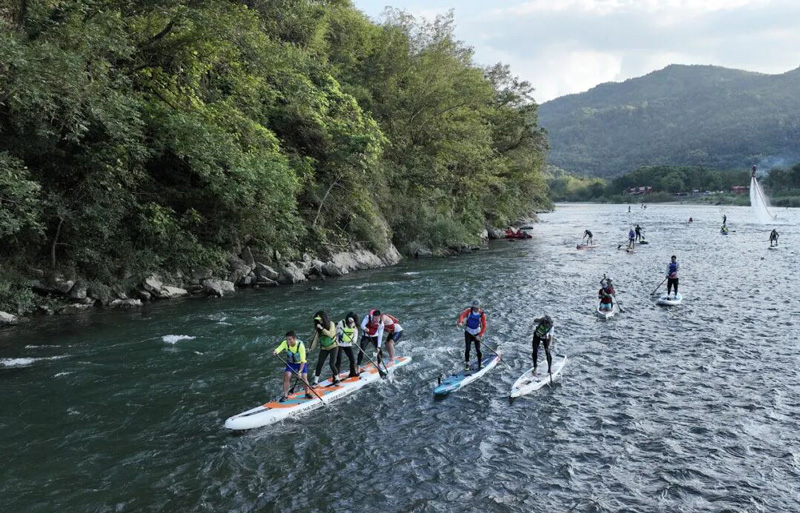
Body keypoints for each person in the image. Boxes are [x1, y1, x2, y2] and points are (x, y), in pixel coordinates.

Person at [273, 331, 313, 402]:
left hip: (301, 363)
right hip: (291, 363)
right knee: (287, 375)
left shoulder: (300, 345)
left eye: (290, 339)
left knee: (304, 376)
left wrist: (300, 372)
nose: (288, 341)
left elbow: (303, 360)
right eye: (287, 339)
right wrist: (276, 351)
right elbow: (279, 348)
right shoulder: (285, 343)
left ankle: (307, 393)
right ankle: (285, 395)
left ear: (294, 339)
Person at [310, 310, 339, 386]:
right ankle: (316, 381)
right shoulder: (318, 328)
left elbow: (331, 335)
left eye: (320, 319)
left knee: (332, 364)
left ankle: (337, 378)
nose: (319, 321)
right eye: (317, 320)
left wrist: (322, 329)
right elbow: (315, 339)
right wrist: (311, 348)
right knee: (319, 363)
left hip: (333, 346)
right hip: (324, 348)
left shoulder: (331, 324)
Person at [457, 300, 487, 371]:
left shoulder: (482, 314)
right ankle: (467, 364)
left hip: (477, 333)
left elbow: (484, 326)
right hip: (468, 333)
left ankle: (480, 364)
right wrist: (460, 322)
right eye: (474, 307)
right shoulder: (468, 311)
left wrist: (480, 335)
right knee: (467, 349)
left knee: (478, 350)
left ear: (479, 307)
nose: (475, 308)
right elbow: (462, 316)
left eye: (476, 307)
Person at [335, 312, 360, 378]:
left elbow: (355, 333)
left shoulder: (354, 325)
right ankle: (336, 376)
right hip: (339, 344)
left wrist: (354, 340)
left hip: (348, 344)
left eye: (352, 321)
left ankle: (352, 373)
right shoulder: (341, 323)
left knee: (352, 359)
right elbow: (335, 332)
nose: (350, 322)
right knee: (338, 360)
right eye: (349, 320)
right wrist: (336, 340)